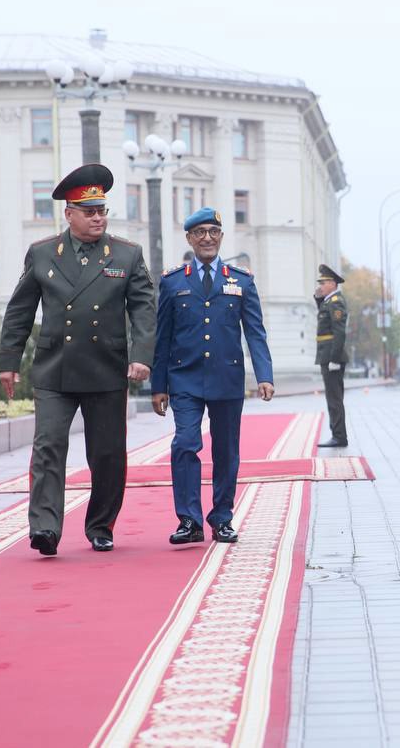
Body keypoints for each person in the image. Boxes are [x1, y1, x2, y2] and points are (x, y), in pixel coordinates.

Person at [0, 164, 156, 555]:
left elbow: (144, 310)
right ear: (69, 214)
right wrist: (8, 360)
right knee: (48, 446)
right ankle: (45, 528)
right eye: (89, 211)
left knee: (106, 454)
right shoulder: (41, 254)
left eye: (102, 210)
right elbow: (19, 311)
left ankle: (101, 524)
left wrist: (141, 357)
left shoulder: (127, 254)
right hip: (55, 368)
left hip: (106, 367)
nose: (98, 217)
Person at [152, 207, 275, 546]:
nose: (207, 238)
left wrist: (264, 374)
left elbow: (255, 332)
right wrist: (158, 385)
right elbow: (162, 337)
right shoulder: (173, 280)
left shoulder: (241, 280)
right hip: (185, 379)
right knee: (185, 444)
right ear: (189, 239)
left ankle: (222, 518)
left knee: (226, 451)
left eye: (213, 232)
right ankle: (189, 520)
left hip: (226, 379)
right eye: (200, 232)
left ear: (221, 237)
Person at [313, 264, 349, 447]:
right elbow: (324, 318)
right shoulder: (329, 301)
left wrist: (335, 359)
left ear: (333, 284)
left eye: (324, 282)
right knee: (333, 398)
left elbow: (339, 332)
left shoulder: (336, 302)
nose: (320, 285)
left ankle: (339, 436)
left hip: (331, 357)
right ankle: (338, 434)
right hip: (327, 355)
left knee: (334, 399)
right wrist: (318, 299)